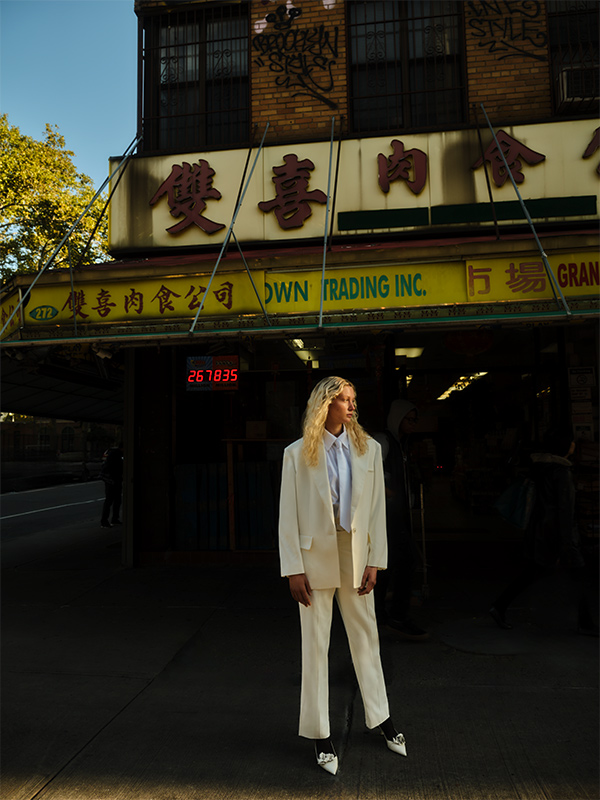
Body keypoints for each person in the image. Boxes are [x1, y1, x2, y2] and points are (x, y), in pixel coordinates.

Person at [279, 376, 407, 775]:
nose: (352, 406)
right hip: (313, 556)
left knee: (366, 637)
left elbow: (376, 512)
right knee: (315, 645)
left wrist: (375, 561)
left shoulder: (369, 450)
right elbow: (287, 515)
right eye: (344, 400)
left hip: (355, 553)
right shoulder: (296, 453)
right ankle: (320, 733)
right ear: (326, 405)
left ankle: (382, 717)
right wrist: (293, 569)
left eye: (354, 400)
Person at [489, 427, 597, 635]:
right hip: (558, 535)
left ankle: (499, 606)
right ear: (565, 446)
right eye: (571, 441)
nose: (574, 444)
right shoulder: (562, 473)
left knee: (533, 572)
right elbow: (565, 511)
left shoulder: (541, 468)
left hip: (541, 532)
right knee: (578, 577)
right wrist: (567, 544)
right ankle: (586, 623)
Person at [373, 399, 429, 640]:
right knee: (406, 561)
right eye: (410, 419)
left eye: (415, 420)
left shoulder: (400, 443)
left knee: (387, 565)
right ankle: (396, 616)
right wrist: (388, 492)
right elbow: (367, 471)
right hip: (385, 515)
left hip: (395, 514)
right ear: (398, 418)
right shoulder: (383, 441)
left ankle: (380, 615)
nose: (414, 424)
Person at [100, 443, 123, 528]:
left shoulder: (113, 454)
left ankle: (111, 519)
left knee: (113, 500)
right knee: (112, 500)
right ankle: (107, 520)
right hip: (112, 479)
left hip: (111, 479)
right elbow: (115, 467)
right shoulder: (117, 455)